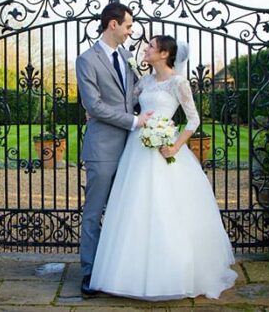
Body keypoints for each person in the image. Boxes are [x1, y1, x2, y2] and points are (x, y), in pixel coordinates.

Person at [89, 35, 238, 301]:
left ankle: (170, 273)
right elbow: (125, 106)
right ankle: (127, 274)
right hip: (136, 150)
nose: (146, 49)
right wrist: (95, 110)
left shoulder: (178, 83)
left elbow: (193, 120)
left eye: (151, 47)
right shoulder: (143, 82)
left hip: (164, 150)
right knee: (133, 208)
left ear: (165, 54)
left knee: (166, 208)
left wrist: (176, 146)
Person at [75, 3, 154, 297]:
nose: (131, 31)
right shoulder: (86, 60)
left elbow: (132, 94)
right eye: (128, 26)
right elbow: (93, 105)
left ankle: (122, 269)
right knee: (94, 211)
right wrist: (133, 120)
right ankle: (89, 272)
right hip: (103, 147)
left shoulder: (126, 56)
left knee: (128, 209)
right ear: (113, 25)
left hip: (133, 148)